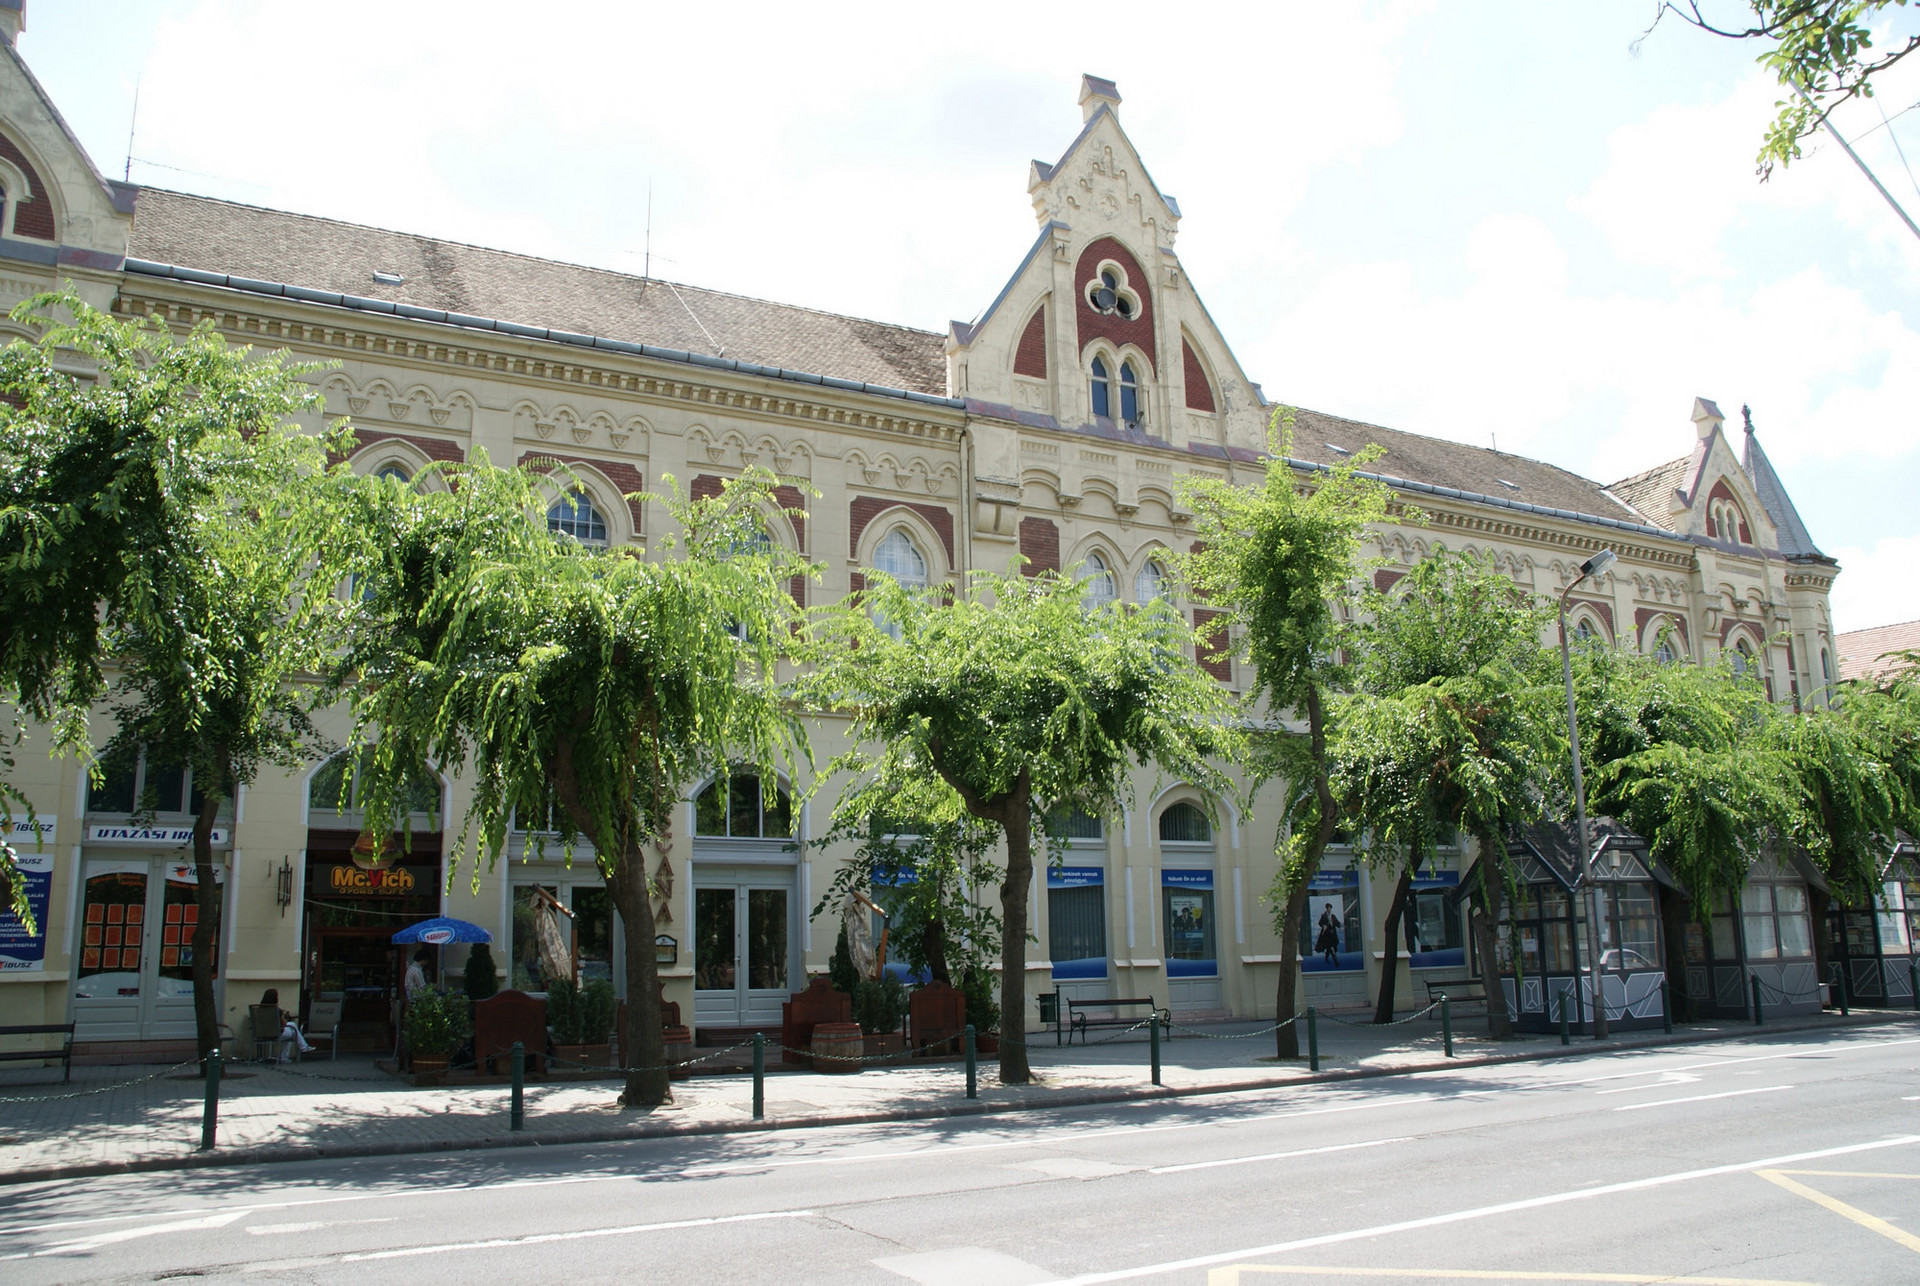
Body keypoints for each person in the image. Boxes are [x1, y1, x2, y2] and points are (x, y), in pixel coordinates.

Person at [260, 987, 314, 1061]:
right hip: (276, 1035)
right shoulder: (277, 1011)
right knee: (292, 1028)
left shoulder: (259, 1010)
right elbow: (284, 1024)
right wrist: (283, 1015)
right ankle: (302, 1048)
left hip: (262, 1034)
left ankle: (302, 1048)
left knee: (292, 1028)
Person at [1316, 902, 1341, 967]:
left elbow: (1337, 923)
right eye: (1328, 908)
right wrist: (1323, 926)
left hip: (1333, 935)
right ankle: (1336, 962)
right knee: (1331, 948)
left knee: (1330, 948)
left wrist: (1339, 926)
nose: (1329, 909)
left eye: (1330, 908)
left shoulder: (1333, 916)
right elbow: (1320, 923)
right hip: (1327, 935)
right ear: (1327, 909)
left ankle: (1326, 957)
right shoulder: (1323, 916)